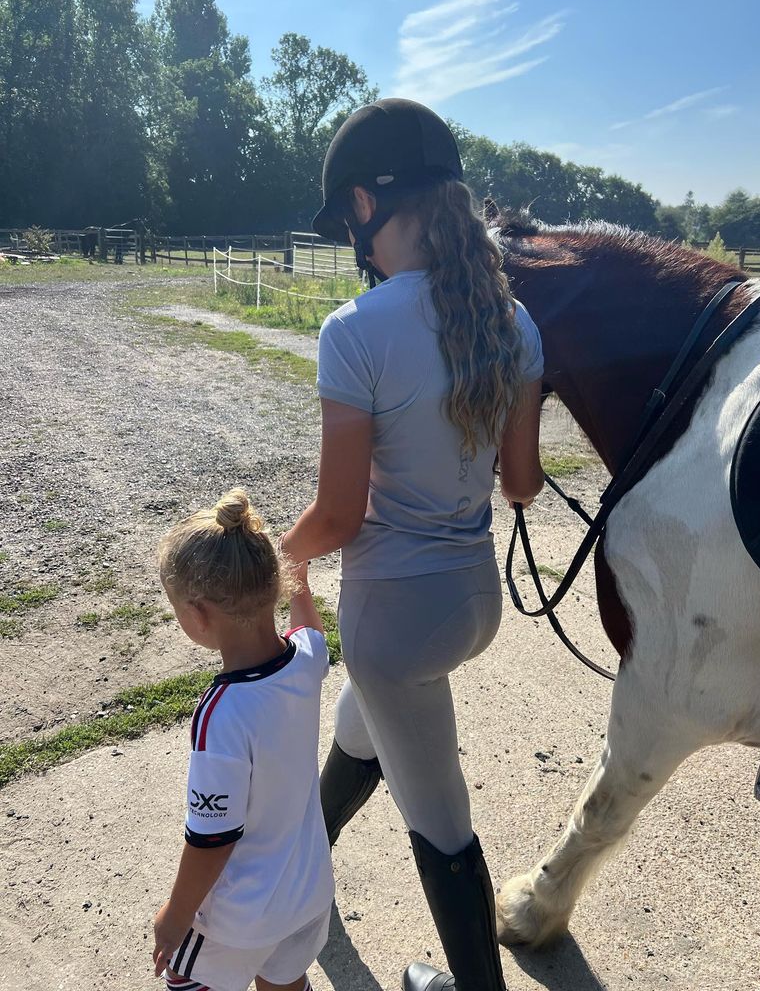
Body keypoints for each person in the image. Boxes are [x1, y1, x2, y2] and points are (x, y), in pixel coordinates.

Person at [281, 99, 544, 991]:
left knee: (442, 822)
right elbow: (521, 485)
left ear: (363, 206)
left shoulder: (353, 331)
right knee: (370, 718)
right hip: (474, 604)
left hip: (396, 617)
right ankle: (301, 861)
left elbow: (340, 515)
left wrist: (289, 551)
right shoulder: (516, 323)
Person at [152, 488, 334, 991]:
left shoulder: (222, 714)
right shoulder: (306, 662)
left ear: (201, 614)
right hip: (308, 894)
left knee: (188, 982)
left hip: (239, 920)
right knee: (284, 979)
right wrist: (300, 586)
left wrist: (176, 914)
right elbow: (308, 631)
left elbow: (213, 837)